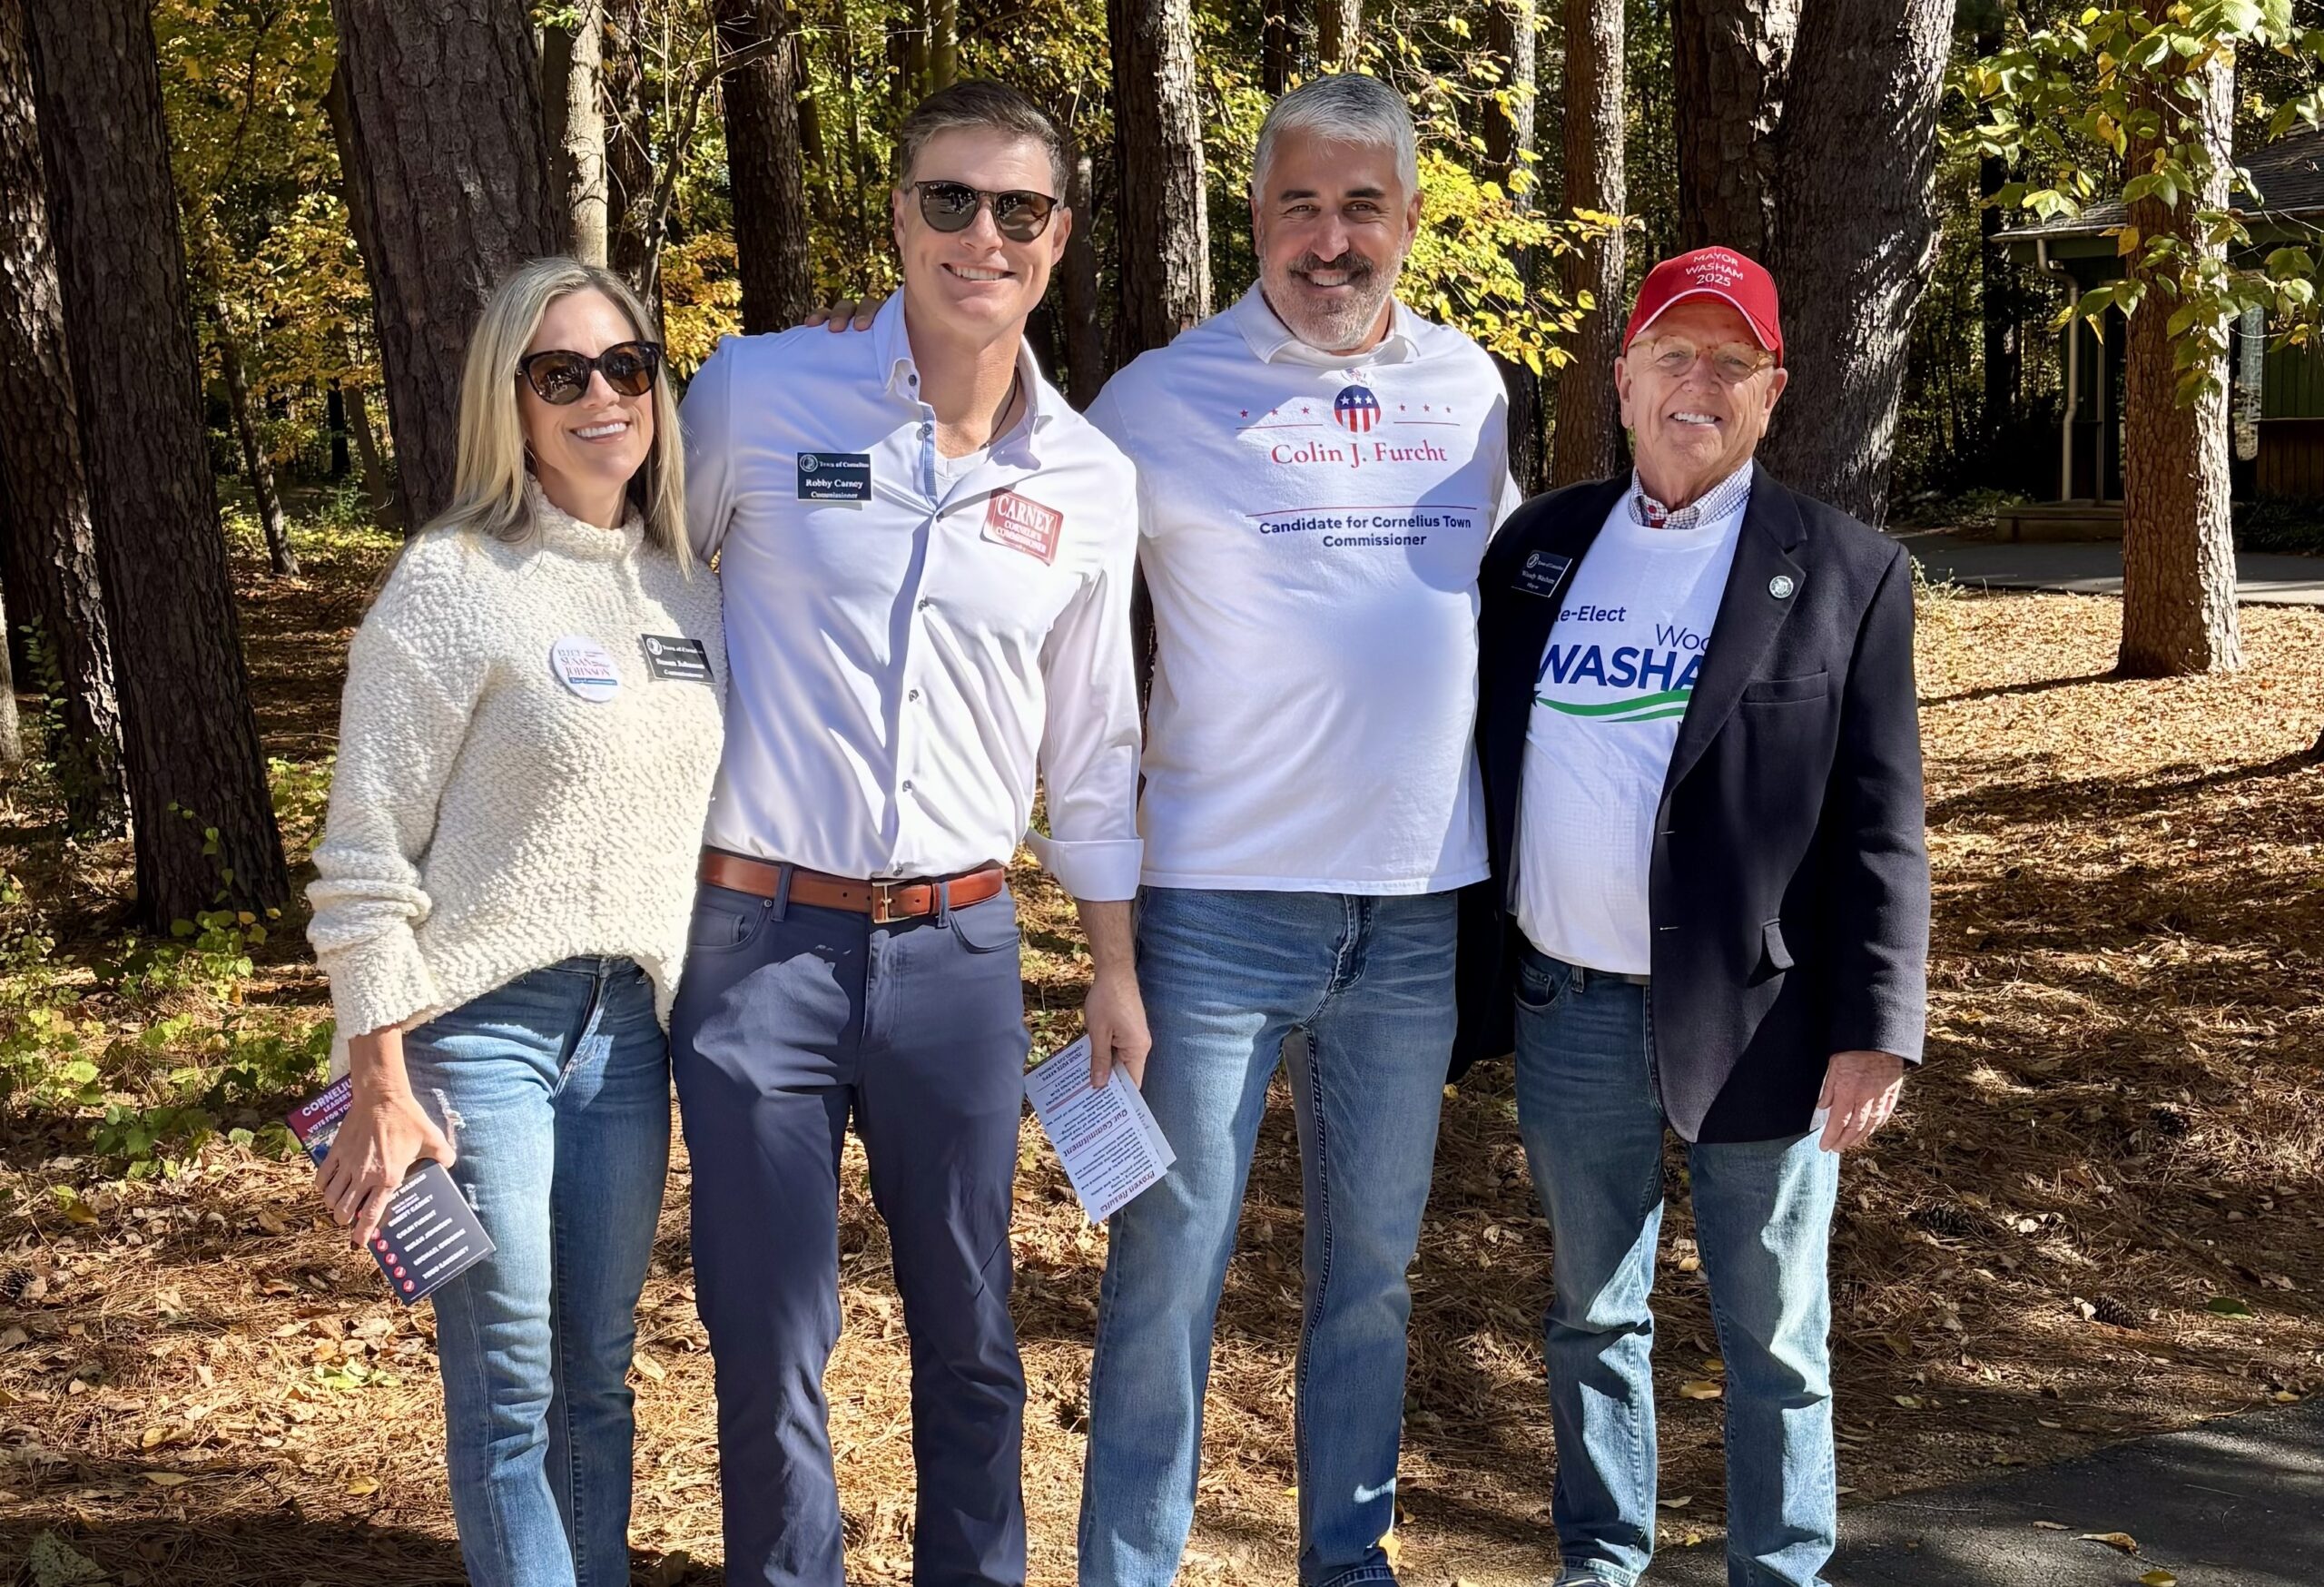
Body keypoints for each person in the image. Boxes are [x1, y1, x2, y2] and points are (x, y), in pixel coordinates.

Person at [672, 80, 1147, 1587]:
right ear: (898, 216)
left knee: (973, 1332)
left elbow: (1095, 747)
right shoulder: (755, 393)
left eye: (1018, 208)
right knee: (769, 1344)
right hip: (757, 948)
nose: (981, 234)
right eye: (950, 199)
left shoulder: (1089, 481)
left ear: (1057, 237)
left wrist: (1112, 969)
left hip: (960, 952)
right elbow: (647, 617)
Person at [1460, 245, 1930, 1587]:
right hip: (1566, 1003)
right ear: (1623, 379)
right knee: (1590, 1317)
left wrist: (1878, 1026)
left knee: (1775, 1335)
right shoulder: (1539, 548)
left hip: (1762, 1019)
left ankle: (1779, 1570)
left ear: (1773, 392)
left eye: (1732, 361)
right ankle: (1601, 1563)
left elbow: (1883, 820)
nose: (1699, 384)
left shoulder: (1847, 573)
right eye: (1673, 353)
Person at [304, 256, 724, 1587]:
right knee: (511, 1385)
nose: (603, 395)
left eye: (627, 366)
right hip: (479, 1032)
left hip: (629, 1035)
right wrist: (380, 1080)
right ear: (513, 402)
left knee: (597, 1373)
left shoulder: (689, 586)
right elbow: (362, 857)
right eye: (562, 374)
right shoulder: (452, 579)